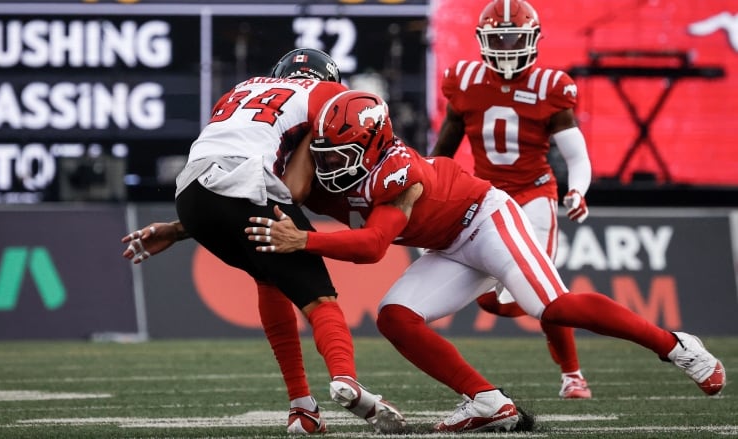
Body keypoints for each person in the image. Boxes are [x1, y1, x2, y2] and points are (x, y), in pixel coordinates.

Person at [244, 90, 726, 433]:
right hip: (447, 246)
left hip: (485, 220)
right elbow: (295, 188)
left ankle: (676, 345)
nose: (329, 165)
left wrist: (303, 242)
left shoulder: (396, 173)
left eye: (340, 155)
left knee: (550, 308)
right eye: (323, 154)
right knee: (396, 318)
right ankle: (487, 401)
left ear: (372, 147)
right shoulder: (331, 168)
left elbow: (372, 248)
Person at [122, 48, 406, 435]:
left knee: (268, 278)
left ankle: (303, 410)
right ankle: (346, 378)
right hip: (245, 186)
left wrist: (176, 229)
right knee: (320, 300)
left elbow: (219, 174)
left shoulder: (239, 90)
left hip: (189, 196)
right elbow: (295, 189)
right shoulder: (324, 97)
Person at [430, 0, 593, 399]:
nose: (505, 46)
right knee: (494, 305)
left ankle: (572, 374)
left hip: (535, 193)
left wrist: (577, 190)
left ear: (532, 39)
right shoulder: (465, 81)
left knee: (548, 294)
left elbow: (577, 155)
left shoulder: (550, 87)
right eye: (497, 38)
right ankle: (519, 294)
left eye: (513, 38)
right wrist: (428, 185)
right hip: (486, 197)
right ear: (482, 41)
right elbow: (443, 149)